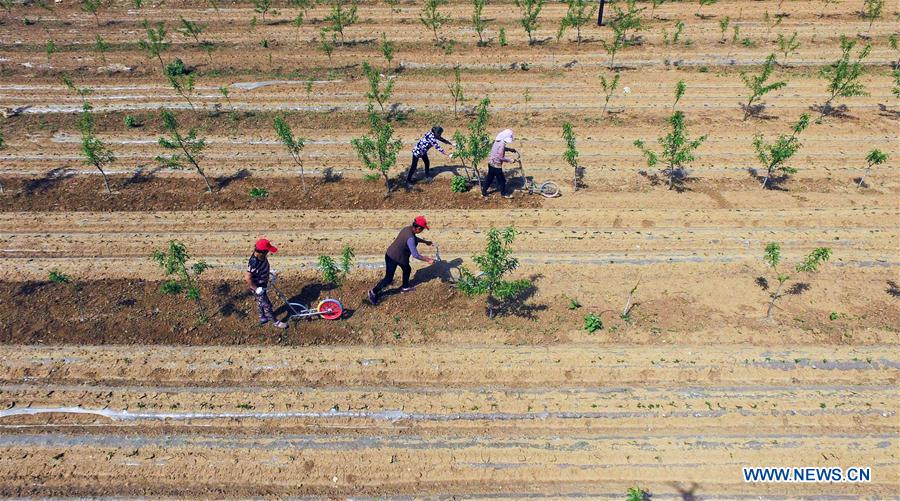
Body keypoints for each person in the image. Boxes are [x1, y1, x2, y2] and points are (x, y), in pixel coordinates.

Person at [367, 215, 435, 305]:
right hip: (393, 257)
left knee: (407, 269)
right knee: (388, 279)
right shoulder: (410, 237)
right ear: (418, 228)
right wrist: (428, 259)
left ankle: (405, 287)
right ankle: (373, 292)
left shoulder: (407, 229)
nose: (422, 230)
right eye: (422, 229)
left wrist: (425, 242)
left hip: (397, 256)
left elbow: (414, 238)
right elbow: (415, 254)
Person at [244, 238, 288, 330]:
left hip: (263, 284)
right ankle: (275, 322)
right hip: (257, 286)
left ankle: (262, 317)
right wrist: (256, 289)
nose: (268, 253)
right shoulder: (254, 263)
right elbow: (247, 278)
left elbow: (261, 269)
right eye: (267, 251)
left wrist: (268, 272)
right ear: (261, 252)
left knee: (260, 302)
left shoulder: (261, 257)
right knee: (267, 305)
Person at [482, 128, 517, 199]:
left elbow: (500, 149)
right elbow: (500, 157)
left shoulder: (498, 141)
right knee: (502, 180)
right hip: (496, 166)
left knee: (489, 178)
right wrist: (510, 160)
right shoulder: (502, 144)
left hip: (491, 163)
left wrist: (509, 149)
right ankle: (504, 194)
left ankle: (484, 192)